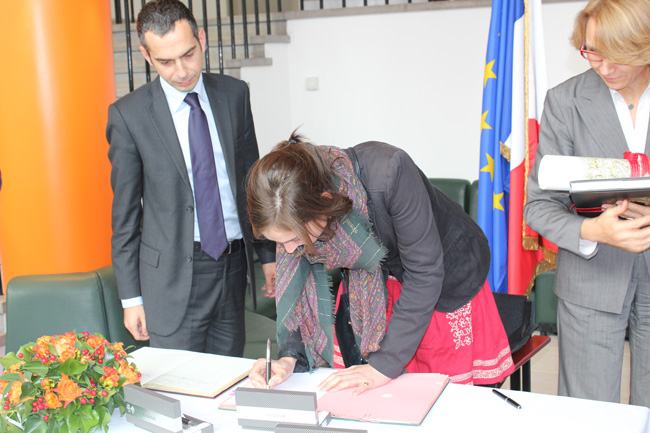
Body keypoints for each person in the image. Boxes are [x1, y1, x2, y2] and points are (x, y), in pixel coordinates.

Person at [246, 133, 514, 394]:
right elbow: (299, 284)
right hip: (374, 283)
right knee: (379, 396)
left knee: (439, 396)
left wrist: (383, 366)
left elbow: (425, 273)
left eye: (294, 239)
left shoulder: (390, 170)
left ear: (325, 202)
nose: (289, 250)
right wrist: (289, 357)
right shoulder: (294, 199)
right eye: (280, 242)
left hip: (443, 276)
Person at [106, 0, 275, 355]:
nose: (182, 71)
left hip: (232, 266)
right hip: (170, 277)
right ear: (146, 56)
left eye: (188, 54)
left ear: (202, 39)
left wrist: (268, 253)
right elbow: (125, 216)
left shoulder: (234, 94)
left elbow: (251, 181)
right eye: (166, 62)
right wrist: (131, 298)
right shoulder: (129, 115)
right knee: (176, 383)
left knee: (228, 378)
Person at [525, 0, 650, 407]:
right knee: (589, 414)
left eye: (618, 54)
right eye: (592, 51)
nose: (604, 66)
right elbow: (538, 206)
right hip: (591, 280)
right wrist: (592, 230)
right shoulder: (566, 101)